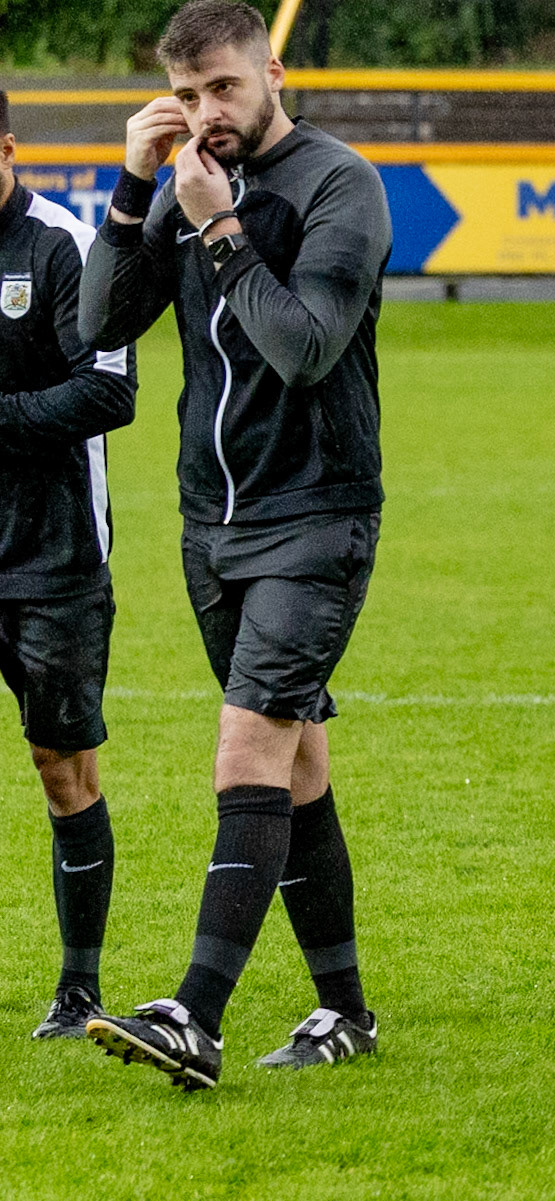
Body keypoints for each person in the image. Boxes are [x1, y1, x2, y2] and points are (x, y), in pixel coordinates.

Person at [77, 0, 391, 1091]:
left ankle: (192, 1016)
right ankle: (344, 1010)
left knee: (247, 748)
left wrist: (220, 227)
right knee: (295, 762)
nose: (207, 113)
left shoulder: (338, 184)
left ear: (270, 73)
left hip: (317, 513)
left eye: (225, 88)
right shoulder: (184, 181)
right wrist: (132, 190)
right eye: (189, 93)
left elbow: (305, 349)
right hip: (211, 523)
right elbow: (100, 328)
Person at [0, 92, 138, 1041]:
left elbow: (110, 388)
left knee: (63, 767)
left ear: (7, 147)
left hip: (53, 557)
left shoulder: (62, 245)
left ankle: (78, 987)